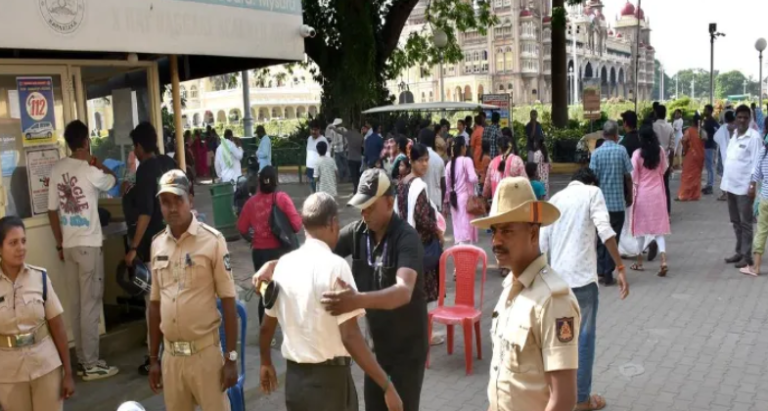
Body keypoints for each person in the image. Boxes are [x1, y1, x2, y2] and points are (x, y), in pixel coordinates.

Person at [258, 193, 404, 411]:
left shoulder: (283, 266)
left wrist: (265, 362)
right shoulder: (336, 267)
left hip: (295, 385)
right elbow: (350, 336)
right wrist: (387, 385)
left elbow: (266, 328)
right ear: (333, 223)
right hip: (330, 385)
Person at [470, 177, 580, 411]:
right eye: (494, 231)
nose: (496, 241)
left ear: (532, 233)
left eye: (507, 231)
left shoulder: (553, 300)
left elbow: (563, 399)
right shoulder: (510, 286)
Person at [329, 168, 428, 411]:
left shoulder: (406, 238)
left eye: (370, 207)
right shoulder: (357, 232)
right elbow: (318, 251)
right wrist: (277, 264)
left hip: (407, 352)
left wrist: (356, 300)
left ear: (390, 202)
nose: (364, 214)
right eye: (361, 207)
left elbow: (404, 291)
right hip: (375, 352)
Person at [148, 169, 238, 411]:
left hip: (205, 355)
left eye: (178, 199)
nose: (173, 208)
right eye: (166, 202)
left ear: (190, 199)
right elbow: (155, 305)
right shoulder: (157, 244)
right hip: (171, 359)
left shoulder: (212, 241)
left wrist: (230, 358)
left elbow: (229, 303)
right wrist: (153, 359)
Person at [540, 168, 629, 411]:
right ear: (591, 182)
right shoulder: (593, 192)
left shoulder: (556, 199)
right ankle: (581, 400)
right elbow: (605, 230)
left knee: (562, 342)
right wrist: (619, 266)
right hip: (583, 284)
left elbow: (541, 245)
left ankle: (560, 397)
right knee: (584, 341)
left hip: (558, 286)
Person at [46, 120, 119, 381]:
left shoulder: (57, 169)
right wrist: (97, 162)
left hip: (69, 246)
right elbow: (114, 180)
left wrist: (59, 242)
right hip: (88, 245)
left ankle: (81, 360)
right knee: (90, 305)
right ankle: (91, 364)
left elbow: (52, 210)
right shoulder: (89, 170)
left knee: (76, 306)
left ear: (67, 142)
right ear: (86, 141)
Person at [0, 216, 75, 410]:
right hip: (8, 373)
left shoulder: (39, 278)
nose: (21, 247)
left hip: (45, 366)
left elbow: (58, 327)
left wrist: (68, 372)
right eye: (13, 242)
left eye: (24, 241)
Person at [122, 122, 177, 375]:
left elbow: (145, 212)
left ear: (140, 146)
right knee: (173, 297)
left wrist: (133, 247)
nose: (135, 150)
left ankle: (155, 356)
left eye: (135, 146)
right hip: (176, 240)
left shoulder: (145, 170)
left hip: (154, 247)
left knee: (153, 303)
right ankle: (172, 351)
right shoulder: (169, 163)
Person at [237, 166, 302, 323]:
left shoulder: (250, 203)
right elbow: (297, 225)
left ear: (259, 182)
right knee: (286, 290)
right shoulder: (282, 199)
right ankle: (288, 327)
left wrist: (252, 239)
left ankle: (265, 329)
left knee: (265, 292)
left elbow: (241, 228)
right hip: (281, 252)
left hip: (260, 254)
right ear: (276, 181)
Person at [395, 144, 445, 344]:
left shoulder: (402, 183)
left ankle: (413, 333)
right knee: (423, 293)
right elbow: (423, 218)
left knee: (412, 291)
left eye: (426, 160)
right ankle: (426, 335)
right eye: (421, 160)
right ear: (412, 162)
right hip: (421, 245)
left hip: (405, 244)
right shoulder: (418, 186)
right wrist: (438, 231)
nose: (424, 164)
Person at [589, 120, 632, 286]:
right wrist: (630, 196)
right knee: (614, 237)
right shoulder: (621, 151)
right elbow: (628, 176)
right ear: (616, 135)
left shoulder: (596, 153)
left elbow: (592, 179)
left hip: (600, 204)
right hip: (617, 204)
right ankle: (608, 270)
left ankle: (600, 270)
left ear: (603, 135)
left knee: (601, 237)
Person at [721, 105, 764, 269]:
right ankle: (739, 251)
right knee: (735, 221)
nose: (742, 120)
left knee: (746, 222)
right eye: (739, 117)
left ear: (750, 119)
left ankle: (747, 256)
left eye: (746, 117)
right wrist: (724, 184)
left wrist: (753, 184)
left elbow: (756, 163)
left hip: (744, 186)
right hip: (730, 185)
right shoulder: (734, 134)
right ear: (736, 118)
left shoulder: (753, 137)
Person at [630, 123, 671, 276]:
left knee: (640, 231)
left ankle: (639, 261)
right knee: (659, 231)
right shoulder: (660, 151)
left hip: (642, 194)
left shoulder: (637, 154)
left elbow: (633, 174)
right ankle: (663, 260)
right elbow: (664, 168)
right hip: (658, 194)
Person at [445, 137, 478, 245]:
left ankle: (459, 256)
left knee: (458, 231)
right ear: (463, 148)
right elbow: (473, 178)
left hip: (454, 200)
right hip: (466, 199)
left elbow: (448, 186)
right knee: (467, 230)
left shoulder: (449, 165)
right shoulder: (466, 160)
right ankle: (468, 257)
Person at [744, 141, 768, 276]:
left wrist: (752, 187)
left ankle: (756, 268)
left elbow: (756, 174)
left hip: (766, 198)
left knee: (762, 231)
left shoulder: (764, 152)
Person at [483, 136, 527, 202]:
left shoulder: (493, 162)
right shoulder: (517, 161)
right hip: (513, 204)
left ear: (499, 148)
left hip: (497, 205)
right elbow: (525, 183)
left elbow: (487, 184)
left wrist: (484, 198)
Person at [676, 115, 705, 202]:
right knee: (696, 175)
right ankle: (694, 194)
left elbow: (684, 140)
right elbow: (705, 140)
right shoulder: (701, 131)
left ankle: (683, 194)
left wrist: (685, 150)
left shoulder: (689, 130)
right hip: (700, 155)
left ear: (693, 122)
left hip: (691, 155)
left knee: (687, 175)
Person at [652, 105, 675, 214]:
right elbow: (672, 148)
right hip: (665, 161)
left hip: (654, 160)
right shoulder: (670, 127)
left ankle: (657, 212)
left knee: (654, 187)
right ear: (665, 114)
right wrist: (670, 165)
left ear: (655, 113)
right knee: (665, 187)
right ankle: (667, 213)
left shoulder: (653, 127)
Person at [418, 129, 446, 213]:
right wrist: (441, 201)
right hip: (436, 201)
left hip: (420, 203)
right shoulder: (439, 159)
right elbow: (443, 185)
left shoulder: (416, 158)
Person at [714, 110, 736, 201]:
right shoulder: (738, 127)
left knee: (724, 175)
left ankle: (725, 194)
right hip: (735, 156)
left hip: (725, 155)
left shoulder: (723, 128)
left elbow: (716, 138)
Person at [702, 104, 721, 195]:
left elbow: (718, 130)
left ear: (710, 111)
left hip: (710, 146)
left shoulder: (713, 121)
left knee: (710, 167)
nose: (704, 111)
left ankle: (710, 185)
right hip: (706, 145)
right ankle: (708, 184)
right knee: (708, 166)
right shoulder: (706, 121)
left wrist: (715, 140)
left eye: (705, 110)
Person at [343, 124, 365, 190]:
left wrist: (333, 128)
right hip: (358, 158)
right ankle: (358, 186)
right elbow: (363, 147)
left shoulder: (350, 134)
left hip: (351, 158)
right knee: (358, 174)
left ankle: (356, 187)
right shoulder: (361, 136)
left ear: (353, 128)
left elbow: (340, 132)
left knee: (353, 175)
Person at [328, 119, 349, 183]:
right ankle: (344, 177)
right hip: (338, 149)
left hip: (341, 149)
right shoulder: (335, 130)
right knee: (342, 164)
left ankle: (344, 177)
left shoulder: (343, 130)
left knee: (341, 164)